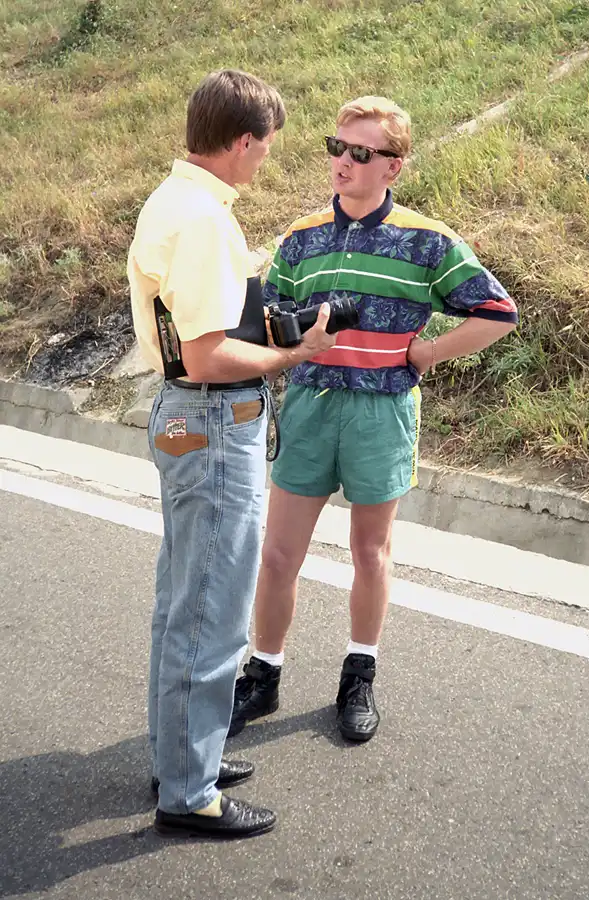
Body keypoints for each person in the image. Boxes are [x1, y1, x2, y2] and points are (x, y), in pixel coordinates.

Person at [230, 96, 518, 744]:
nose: (343, 162)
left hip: (381, 412)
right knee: (277, 555)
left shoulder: (427, 240)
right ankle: (265, 673)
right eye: (336, 147)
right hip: (308, 406)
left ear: (393, 166)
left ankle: (358, 675)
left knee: (370, 552)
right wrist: (282, 339)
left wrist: (430, 351)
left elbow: (498, 312)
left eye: (360, 152)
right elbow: (267, 313)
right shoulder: (301, 236)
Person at [127, 69, 335, 840]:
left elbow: (197, 333)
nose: (266, 161)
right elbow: (212, 357)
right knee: (211, 615)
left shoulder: (171, 200)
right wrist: (295, 353)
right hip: (214, 422)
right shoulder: (207, 221)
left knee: (181, 606)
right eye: (267, 147)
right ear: (244, 140)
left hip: (185, 420)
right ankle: (189, 791)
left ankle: (184, 754)